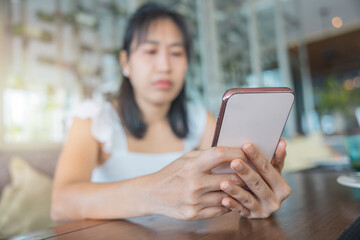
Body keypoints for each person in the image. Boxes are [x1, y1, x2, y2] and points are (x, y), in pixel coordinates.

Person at [51, 3, 291, 221]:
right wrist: (155, 193)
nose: (165, 66)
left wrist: (253, 195)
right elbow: (61, 204)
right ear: (125, 62)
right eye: (151, 51)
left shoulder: (199, 121)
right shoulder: (94, 120)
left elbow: (232, 190)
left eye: (176, 53)